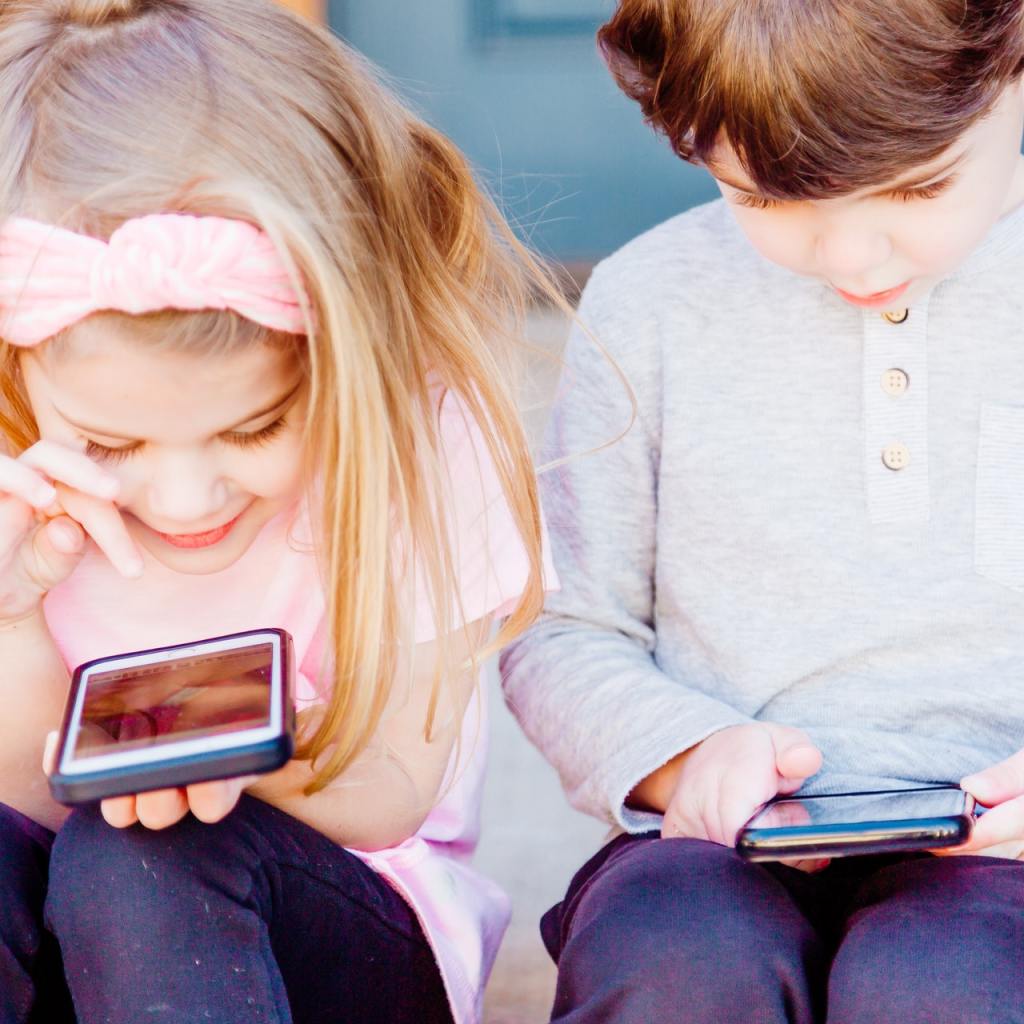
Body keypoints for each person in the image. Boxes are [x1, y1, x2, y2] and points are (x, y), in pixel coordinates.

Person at [0, 1, 557, 1022]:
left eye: (254, 428)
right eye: (110, 445)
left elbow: (390, 783)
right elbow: (26, 799)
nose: (181, 497)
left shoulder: (414, 442)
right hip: (71, 942)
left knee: (142, 853)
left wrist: (235, 764)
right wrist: (12, 612)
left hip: (339, 932)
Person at [500, 2, 1024, 1022]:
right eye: (770, 200)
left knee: (939, 988)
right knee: (672, 967)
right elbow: (563, 629)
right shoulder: (647, 303)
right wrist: (679, 753)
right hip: (713, 846)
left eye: (917, 187)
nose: (854, 261)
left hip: (1004, 862)